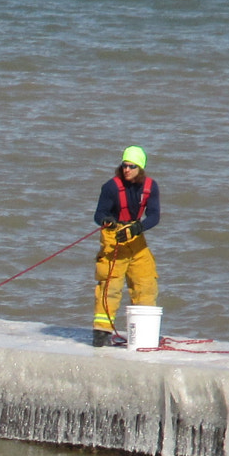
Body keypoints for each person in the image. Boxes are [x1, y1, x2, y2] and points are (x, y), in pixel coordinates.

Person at [91, 146, 160, 347]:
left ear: (140, 168)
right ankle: (101, 333)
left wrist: (138, 227)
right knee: (109, 284)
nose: (126, 169)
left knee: (146, 283)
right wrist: (108, 221)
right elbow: (98, 214)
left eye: (131, 166)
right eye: (124, 165)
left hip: (136, 239)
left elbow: (154, 216)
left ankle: (143, 331)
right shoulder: (110, 187)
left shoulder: (150, 187)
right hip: (114, 240)